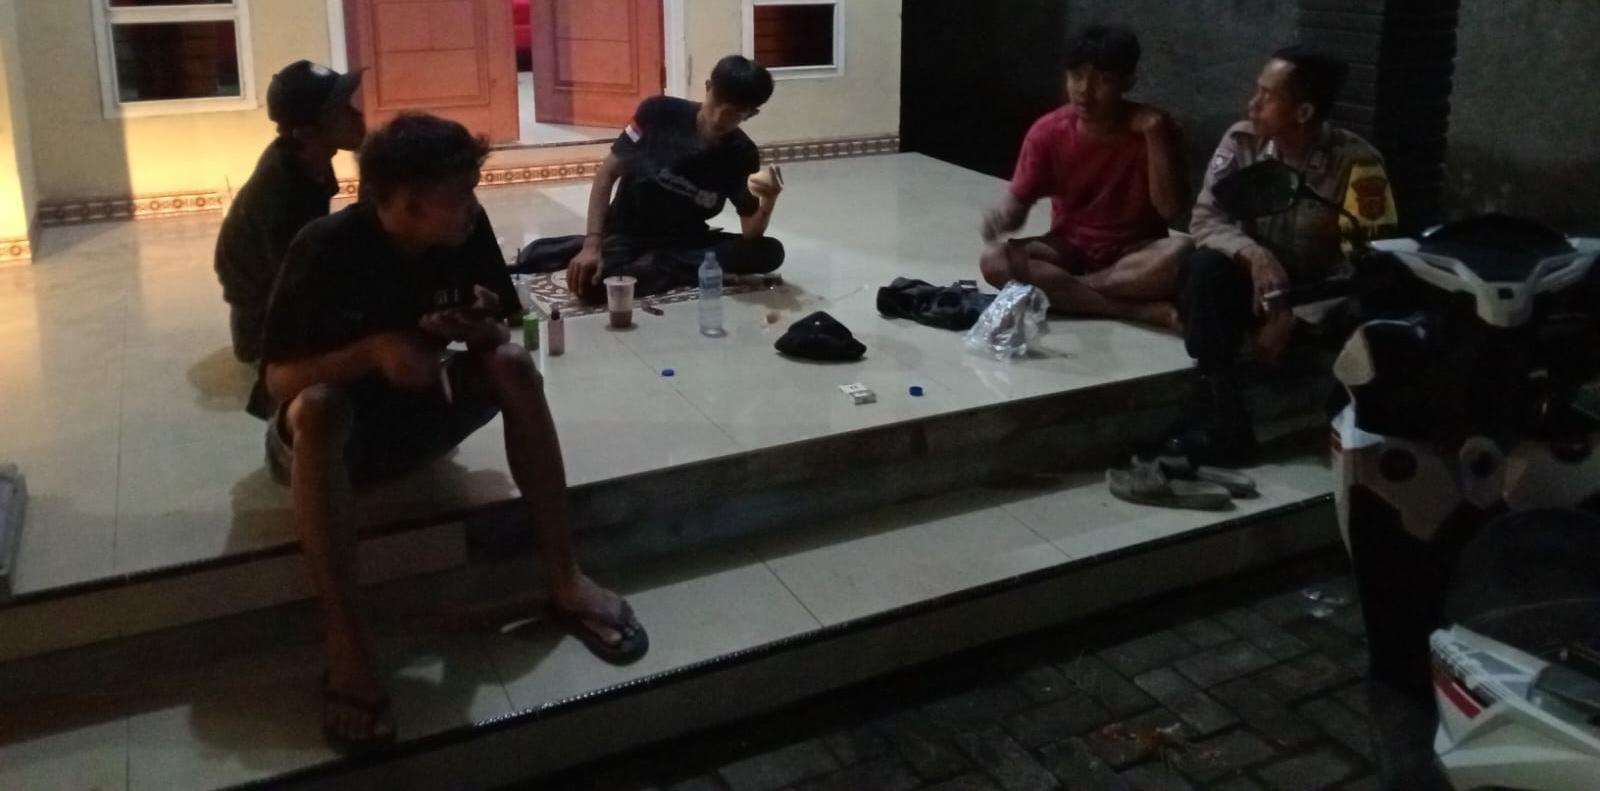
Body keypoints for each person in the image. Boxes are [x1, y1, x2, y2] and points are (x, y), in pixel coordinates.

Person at [259, 113, 648, 753]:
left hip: (422, 413)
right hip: (332, 444)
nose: (474, 203)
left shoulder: (465, 232)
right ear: (408, 203)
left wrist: (480, 327)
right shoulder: (324, 247)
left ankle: (564, 576)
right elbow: (278, 381)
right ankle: (347, 641)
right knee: (321, 407)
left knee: (511, 364)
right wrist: (374, 353)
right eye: (461, 192)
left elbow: (502, 328)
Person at [1162, 46, 1397, 465]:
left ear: (1304, 112)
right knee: (1203, 268)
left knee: (1379, 311)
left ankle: (1354, 432)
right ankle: (1226, 421)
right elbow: (1206, 218)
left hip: (1320, 302)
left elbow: (1367, 264)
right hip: (1259, 289)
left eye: (1267, 96)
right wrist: (1254, 255)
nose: (1252, 104)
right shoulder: (1243, 142)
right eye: (1257, 91)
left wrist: (1296, 312)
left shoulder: (1357, 165)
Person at [518, 55, 785, 302]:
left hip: (684, 241)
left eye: (734, 114)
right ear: (707, 87)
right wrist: (592, 243)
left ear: (751, 114)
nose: (718, 118)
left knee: (770, 252)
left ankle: (668, 266)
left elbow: (750, 232)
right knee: (590, 285)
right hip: (628, 231)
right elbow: (607, 174)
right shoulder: (658, 113)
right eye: (716, 104)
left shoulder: (742, 152)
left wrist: (769, 200)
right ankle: (662, 264)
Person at [980, 25, 1191, 330]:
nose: (1084, 91)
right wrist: (1004, 216)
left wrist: (1155, 136)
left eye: (1102, 80)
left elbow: (1170, 209)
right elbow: (1018, 203)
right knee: (994, 261)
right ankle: (1133, 309)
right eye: (1076, 76)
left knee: (1182, 253)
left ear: (1128, 82)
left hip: (1136, 253)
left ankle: (1071, 290)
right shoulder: (1048, 132)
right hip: (1070, 247)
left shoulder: (1155, 127)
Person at [215, 60, 365, 399]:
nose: (357, 115)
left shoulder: (310, 156)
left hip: (279, 286)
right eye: (342, 110)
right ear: (306, 131)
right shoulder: (283, 193)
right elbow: (294, 284)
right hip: (264, 320)